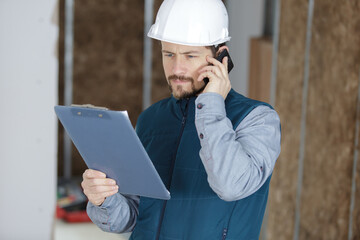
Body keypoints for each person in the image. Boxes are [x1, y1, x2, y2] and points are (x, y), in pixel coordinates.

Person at [81, 0, 281, 239]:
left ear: (221, 57)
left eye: (190, 55)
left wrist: (211, 104)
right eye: (169, 54)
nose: (176, 68)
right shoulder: (151, 120)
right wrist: (103, 198)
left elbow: (231, 185)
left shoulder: (257, 119)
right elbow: (133, 216)